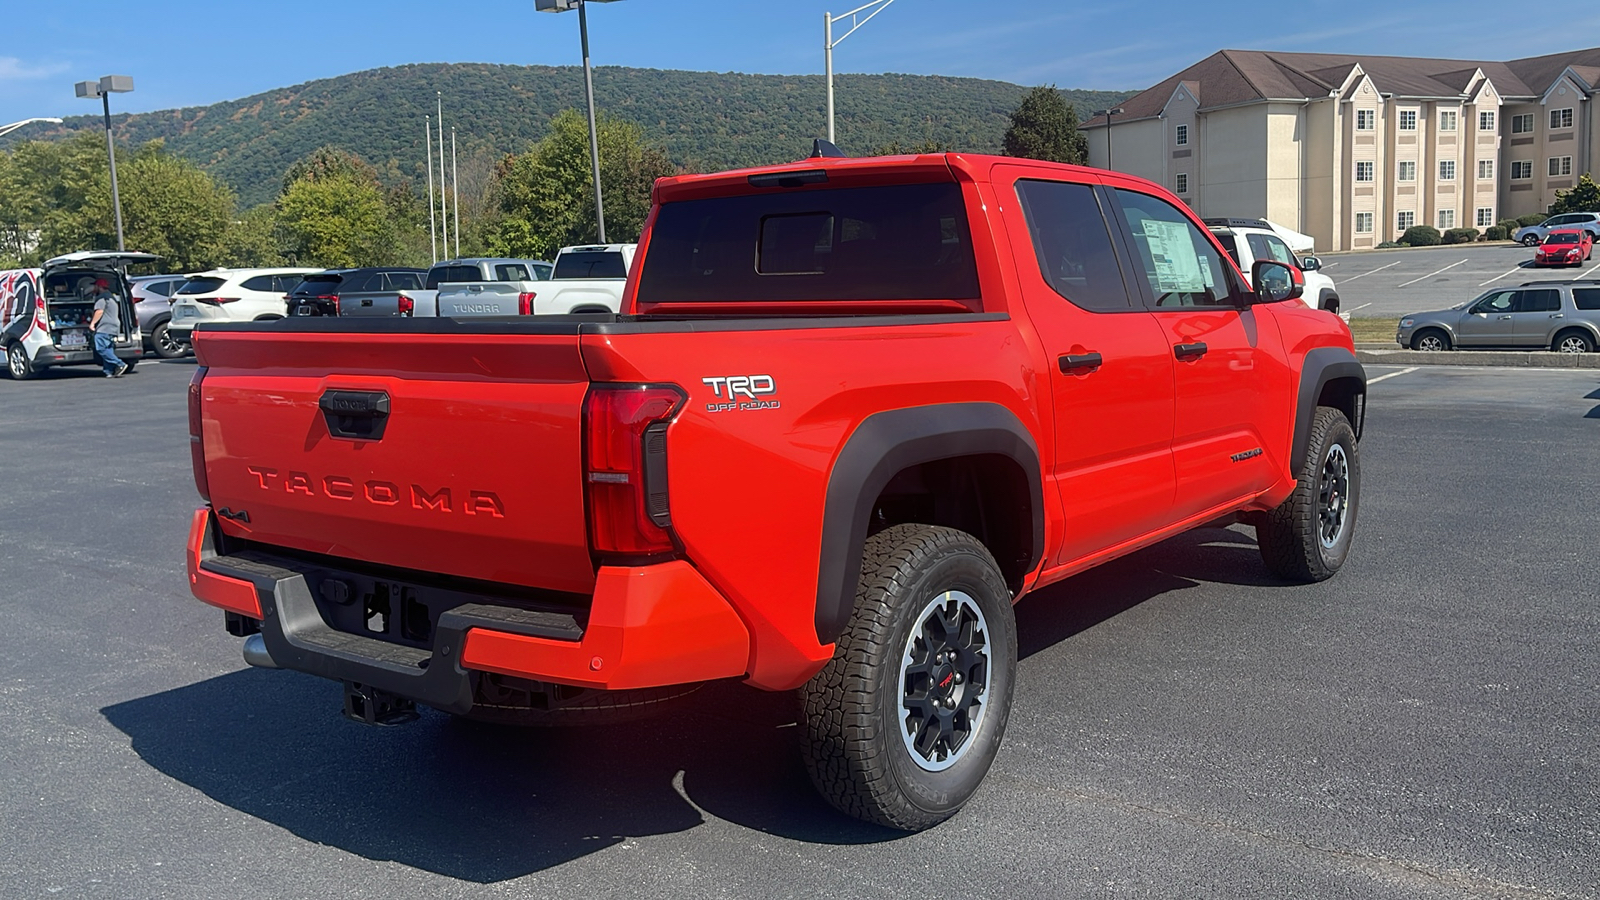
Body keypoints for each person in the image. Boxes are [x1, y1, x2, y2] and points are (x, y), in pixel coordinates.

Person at [87, 277, 128, 378]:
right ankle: (108, 371)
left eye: (95, 286)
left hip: (104, 327)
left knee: (100, 348)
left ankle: (120, 364)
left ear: (99, 286)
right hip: (114, 326)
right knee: (108, 349)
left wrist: (92, 324)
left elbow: (99, 311)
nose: (93, 288)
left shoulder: (102, 297)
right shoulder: (111, 296)